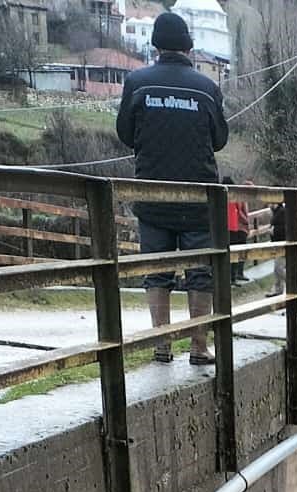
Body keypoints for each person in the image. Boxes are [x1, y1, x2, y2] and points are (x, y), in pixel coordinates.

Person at [115, 12, 228, 367]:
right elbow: (220, 139)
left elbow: (125, 133)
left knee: (157, 270)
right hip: (198, 199)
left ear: (156, 45)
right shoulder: (207, 88)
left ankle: (160, 344)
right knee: (200, 272)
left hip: (152, 197)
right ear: (188, 46)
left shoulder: (137, 82)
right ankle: (198, 346)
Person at [224, 176, 250, 285]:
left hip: (225, 228)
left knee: (229, 254)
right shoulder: (236, 197)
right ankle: (233, 278)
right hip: (235, 228)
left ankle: (230, 277)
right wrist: (246, 222)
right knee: (235, 253)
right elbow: (240, 212)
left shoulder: (222, 196)